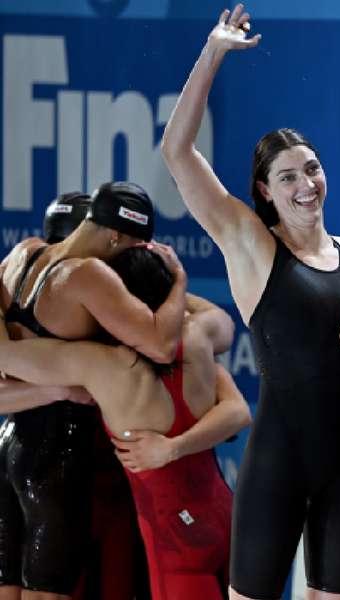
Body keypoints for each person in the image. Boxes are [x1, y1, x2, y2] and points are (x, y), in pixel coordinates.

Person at [159, 6, 340, 598]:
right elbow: (177, 153)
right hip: (277, 463)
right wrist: (213, 53)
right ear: (265, 194)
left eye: (313, 170)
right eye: (288, 177)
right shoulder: (251, 246)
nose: (307, 185)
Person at [0, 246, 251, 600]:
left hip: (176, 546)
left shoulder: (102, 365)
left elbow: (6, 356)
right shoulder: (198, 337)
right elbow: (222, 328)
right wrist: (177, 280)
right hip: (226, 519)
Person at [0, 182, 186, 600]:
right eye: (137, 247)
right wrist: (177, 282)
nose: (136, 259)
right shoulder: (88, 275)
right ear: (116, 236)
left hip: (11, 444)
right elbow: (160, 343)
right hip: (60, 453)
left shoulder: (21, 255)